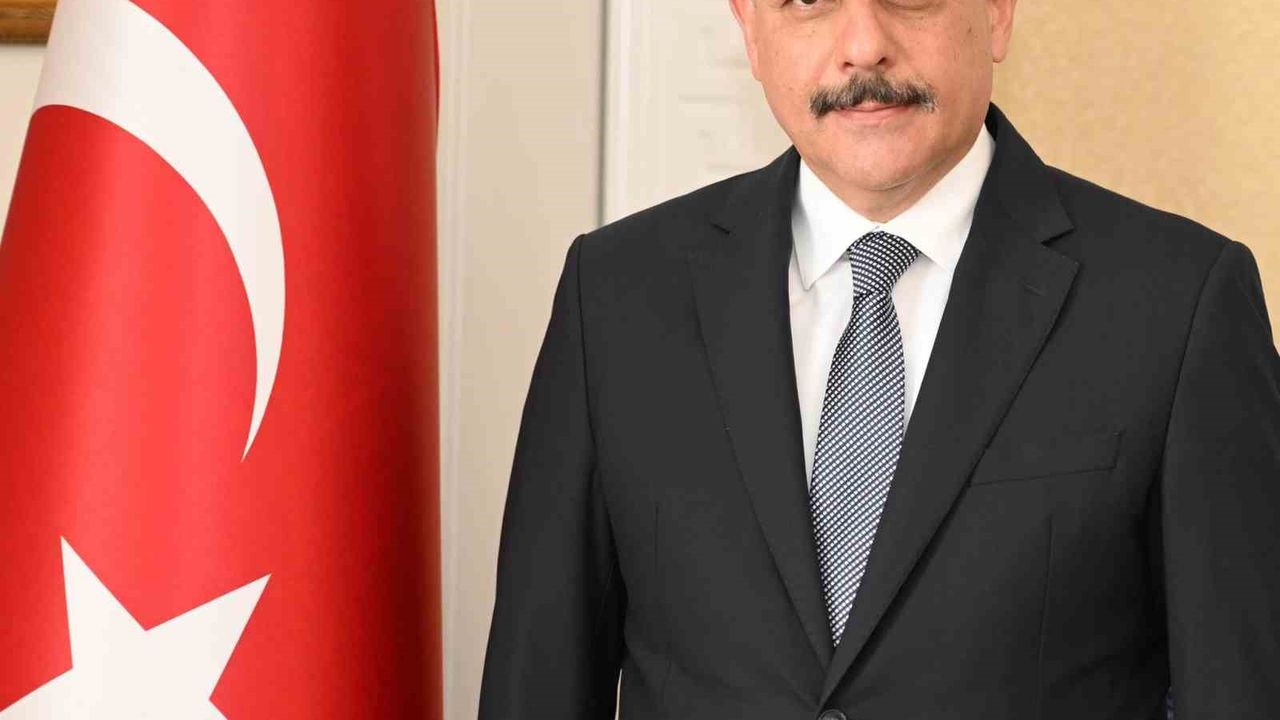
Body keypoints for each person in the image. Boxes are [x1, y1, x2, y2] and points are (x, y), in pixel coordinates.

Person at [478, 0, 1280, 717]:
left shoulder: (1180, 305)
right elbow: (537, 683)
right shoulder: (613, 298)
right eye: (807, 0)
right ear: (749, 26)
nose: (864, 45)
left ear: (998, 12)